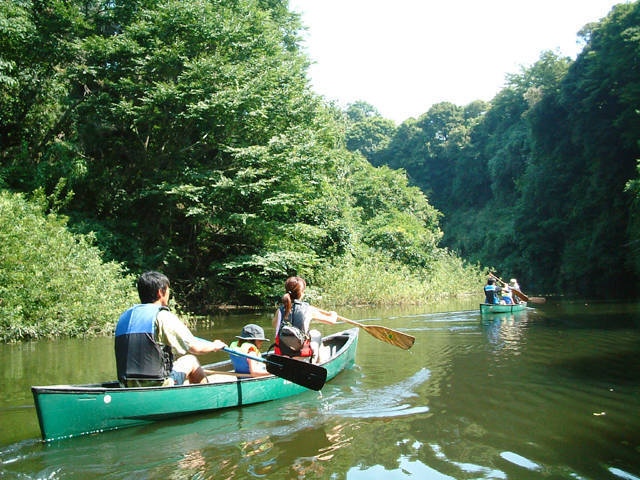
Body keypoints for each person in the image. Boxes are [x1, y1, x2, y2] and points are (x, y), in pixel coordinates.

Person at [115, 271, 227, 387]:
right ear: (160, 292)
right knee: (190, 360)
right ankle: (205, 397)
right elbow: (195, 347)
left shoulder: (124, 317)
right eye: (168, 290)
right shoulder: (163, 316)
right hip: (157, 384)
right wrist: (215, 346)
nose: (169, 294)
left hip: (126, 384)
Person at [272, 276, 338, 363]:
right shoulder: (308, 309)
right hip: (301, 356)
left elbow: (274, 325)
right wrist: (333, 314)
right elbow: (332, 321)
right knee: (315, 333)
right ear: (302, 293)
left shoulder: (280, 310)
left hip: (281, 355)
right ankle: (319, 362)